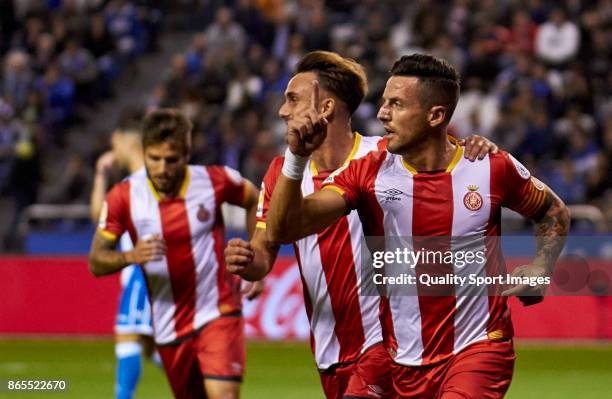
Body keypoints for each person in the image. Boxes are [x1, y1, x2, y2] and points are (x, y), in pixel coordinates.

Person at [264, 54, 570, 398]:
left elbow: (554, 212)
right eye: (383, 103)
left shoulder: (489, 167)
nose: (382, 114)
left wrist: (542, 268)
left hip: (480, 348)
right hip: (402, 363)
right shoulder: (368, 172)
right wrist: (296, 158)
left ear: (435, 115)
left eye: (396, 104)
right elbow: (286, 229)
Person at [224, 51, 500, 399]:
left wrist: (476, 147)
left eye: (292, 99)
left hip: (384, 344)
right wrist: (249, 263)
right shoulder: (282, 173)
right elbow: (265, 253)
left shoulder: (386, 157)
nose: (282, 111)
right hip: (330, 352)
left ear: (325, 108)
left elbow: (444, 156)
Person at [89, 108, 262, 399]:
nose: (161, 168)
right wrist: (130, 257)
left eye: (171, 160)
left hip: (217, 308)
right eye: (153, 159)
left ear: (187, 152)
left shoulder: (214, 180)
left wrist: (257, 257)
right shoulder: (124, 196)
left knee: (224, 394)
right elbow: (96, 261)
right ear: (143, 152)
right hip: (169, 323)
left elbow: (253, 198)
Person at [89, 107, 160, 399]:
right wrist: (99, 175)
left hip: (143, 275)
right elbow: (102, 219)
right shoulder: (137, 183)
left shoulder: (142, 182)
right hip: (146, 274)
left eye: (115, 142)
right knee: (154, 348)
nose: (112, 149)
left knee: (128, 336)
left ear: (128, 142)